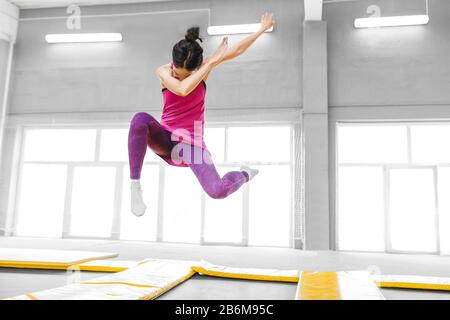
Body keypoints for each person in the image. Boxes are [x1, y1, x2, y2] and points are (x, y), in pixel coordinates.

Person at [128, 13, 275, 217]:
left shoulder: (205, 68)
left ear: (196, 68)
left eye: (187, 74)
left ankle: (245, 174)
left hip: (192, 147)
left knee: (218, 191)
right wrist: (211, 63)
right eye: (178, 72)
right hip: (166, 139)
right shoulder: (164, 71)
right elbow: (181, 90)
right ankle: (135, 185)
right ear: (173, 63)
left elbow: (238, 49)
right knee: (139, 119)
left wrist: (261, 29)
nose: (178, 75)